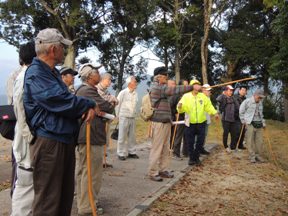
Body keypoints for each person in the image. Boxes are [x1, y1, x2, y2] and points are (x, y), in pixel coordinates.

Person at [23, 28, 96, 216]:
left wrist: (83, 106)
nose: (65, 51)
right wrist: (89, 103)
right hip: (49, 142)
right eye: (63, 47)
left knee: (63, 199)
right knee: (48, 201)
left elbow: (67, 99)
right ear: (54, 50)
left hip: (61, 139)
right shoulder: (37, 72)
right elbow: (60, 100)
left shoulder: (51, 72)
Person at [76, 64, 114, 215]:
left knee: (85, 171)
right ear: (90, 76)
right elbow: (107, 106)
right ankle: (87, 206)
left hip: (89, 135)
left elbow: (103, 108)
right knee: (91, 173)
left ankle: (85, 202)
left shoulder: (83, 89)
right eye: (97, 72)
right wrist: (109, 103)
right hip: (90, 135)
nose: (100, 74)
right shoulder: (88, 90)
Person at [148, 67, 194, 182]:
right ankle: (153, 172)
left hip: (166, 122)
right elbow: (174, 90)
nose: (166, 78)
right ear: (159, 77)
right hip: (159, 123)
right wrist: (191, 87)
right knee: (157, 148)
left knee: (165, 148)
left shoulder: (161, 87)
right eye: (165, 76)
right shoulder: (157, 87)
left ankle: (163, 169)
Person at [11, 41, 36, 216]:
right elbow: (21, 113)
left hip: (26, 140)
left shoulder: (25, 75)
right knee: (25, 187)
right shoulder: (27, 77)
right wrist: (31, 138)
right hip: (26, 143)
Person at [177, 80, 218, 166]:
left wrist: (215, 113)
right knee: (190, 142)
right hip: (190, 123)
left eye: (198, 85)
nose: (196, 86)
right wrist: (180, 107)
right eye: (194, 85)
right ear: (191, 87)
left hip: (201, 122)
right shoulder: (186, 96)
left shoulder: (203, 96)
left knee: (200, 141)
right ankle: (192, 159)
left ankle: (196, 157)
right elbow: (181, 109)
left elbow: (209, 106)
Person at [97, 72, 118, 168]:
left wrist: (112, 100)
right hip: (99, 119)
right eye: (108, 80)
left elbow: (115, 101)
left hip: (106, 118)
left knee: (106, 140)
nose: (110, 82)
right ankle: (99, 162)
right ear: (103, 79)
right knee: (100, 140)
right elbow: (103, 101)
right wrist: (112, 99)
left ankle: (103, 161)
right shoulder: (98, 89)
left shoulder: (106, 90)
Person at [239, 89, 266, 163]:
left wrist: (263, 123)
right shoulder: (247, 102)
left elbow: (261, 114)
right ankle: (252, 156)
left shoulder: (260, 103)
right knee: (250, 141)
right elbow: (241, 112)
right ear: (255, 95)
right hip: (249, 123)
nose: (260, 99)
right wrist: (243, 121)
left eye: (261, 98)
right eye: (259, 97)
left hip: (259, 124)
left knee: (259, 141)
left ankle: (258, 155)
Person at [116, 76, 139, 160]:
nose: (136, 83)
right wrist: (117, 116)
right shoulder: (123, 92)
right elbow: (117, 104)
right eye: (135, 82)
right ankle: (120, 153)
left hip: (132, 116)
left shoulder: (135, 93)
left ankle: (132, 152)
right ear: (129, 83)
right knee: (122, 135)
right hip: (124, 116)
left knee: (132, 136)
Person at [169, 79, 189, 159]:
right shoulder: (177, 94)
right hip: (179, 118)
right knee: (178, 135)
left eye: (187, 84)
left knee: (187, 135)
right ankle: (176, 153)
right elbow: (171, 105)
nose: (187, 86)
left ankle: (186, 152)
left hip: (187, 116)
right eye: (185, 85)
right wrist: (175, 113)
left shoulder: (188, 95)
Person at [216, 85, 239, 153]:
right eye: (230, 90)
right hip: (225, 119)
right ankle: (226, 146)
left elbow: (237, 106)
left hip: (233, 119)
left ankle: (233, 146)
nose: (231, 92)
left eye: (232, 90)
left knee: (234, 133)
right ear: (226, 91)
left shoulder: (233, 98)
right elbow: (217, 100)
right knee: (226, 133)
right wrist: (223, 93)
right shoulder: (223, 97)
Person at [201, 84, 213, 154]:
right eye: (208, 91)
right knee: (199, 135)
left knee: (204, 135)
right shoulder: (199, 97)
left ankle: (202, 148)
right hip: (200, 120)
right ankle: (197, 149)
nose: (209, 92)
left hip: (207, 119)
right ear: (203, 90)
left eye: (210, 91)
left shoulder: (208, 98)